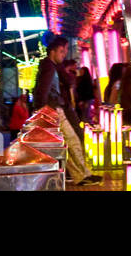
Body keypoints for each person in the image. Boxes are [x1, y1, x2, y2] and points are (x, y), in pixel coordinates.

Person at [34, 35, 102, 186]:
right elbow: (42, 90)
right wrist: (43, 111)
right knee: (73, 142)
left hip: (53, 109)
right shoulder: (49, 67)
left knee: (68, 144)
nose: (64, 54)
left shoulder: (51, 66)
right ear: (53, 51)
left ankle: (81, 175)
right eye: (62, 51)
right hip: (53, 110)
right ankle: (82, 175)